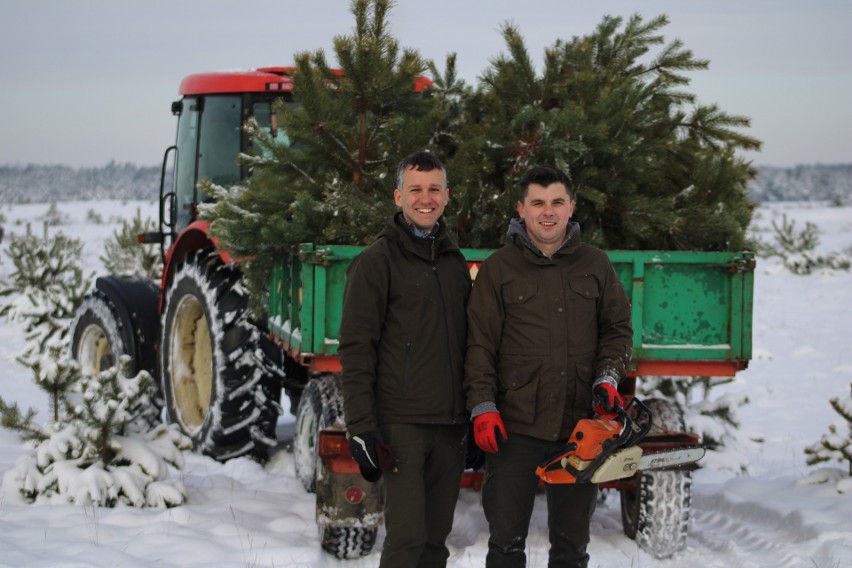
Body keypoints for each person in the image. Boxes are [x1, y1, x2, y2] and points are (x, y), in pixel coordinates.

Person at [464, 165, 633, 568]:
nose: (548, 212)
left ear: (571, 207)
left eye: (557, 202)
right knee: (505, 546)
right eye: (538, 203)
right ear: (521, 209)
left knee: (571, 550)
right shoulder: (499, 269)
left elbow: (617, 330)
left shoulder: (596, 264)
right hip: (514, 429)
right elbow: (479, 345)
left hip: (580, 429)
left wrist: (608, 378)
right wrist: (483, 407)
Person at [338, 151, 472, 567]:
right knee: (407, 541)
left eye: (434, 189)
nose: (425, 198)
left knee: (435, 543)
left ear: (447, 196)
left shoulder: (454, 264)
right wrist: (361, 426)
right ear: (399, 197)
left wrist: (476, 412)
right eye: (416, 189)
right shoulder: (376, 262)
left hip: (451, 428)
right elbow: (356, 349)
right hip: (403, 427)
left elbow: (471, 346)